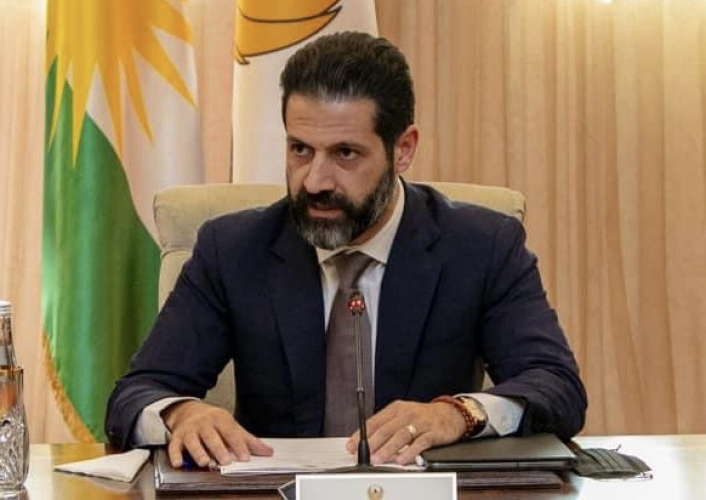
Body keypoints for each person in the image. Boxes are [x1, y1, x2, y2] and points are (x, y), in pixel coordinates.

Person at [105, 31, 587, 470]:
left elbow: (557, 387)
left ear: (403, 149)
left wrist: (457, 414)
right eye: (300, 150)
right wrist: (181, 412)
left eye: (345, 154)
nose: (315, 181)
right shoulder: (233, 250)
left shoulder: (481, 247)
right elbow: (135, 395)